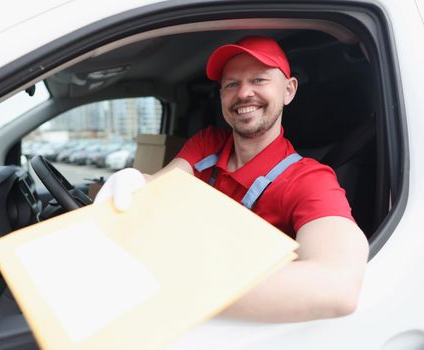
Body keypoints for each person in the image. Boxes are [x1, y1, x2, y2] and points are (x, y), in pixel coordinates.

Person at [95, 36, 369, 323]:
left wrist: (181, 282)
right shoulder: (207, 144)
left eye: (259, 80)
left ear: (289, 90)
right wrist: (135, 181)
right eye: (232, 84)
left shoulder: (309, 179)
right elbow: (162, 186)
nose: (244, 93)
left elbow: (337, 286)